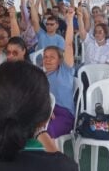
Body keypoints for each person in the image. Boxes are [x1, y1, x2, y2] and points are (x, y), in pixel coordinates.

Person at [43, 8, 75, 139]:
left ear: (60, 60)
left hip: (64, 115)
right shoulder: (41, 76)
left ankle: (50, 157)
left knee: (44, 133)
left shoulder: (65, 71)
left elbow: (68, 45)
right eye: (45, 57)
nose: (47, 60)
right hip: (45, 113)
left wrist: (70, 21)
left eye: (52, 57)